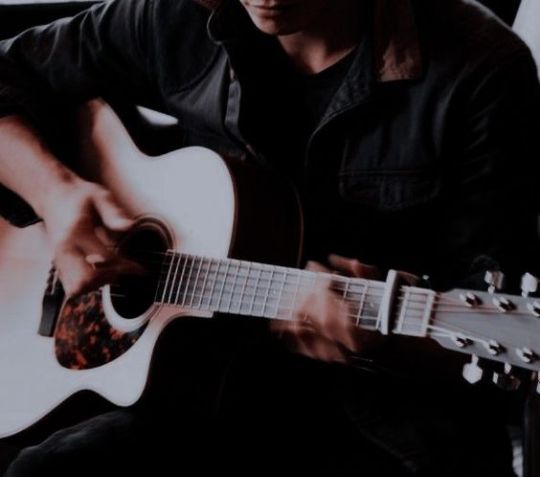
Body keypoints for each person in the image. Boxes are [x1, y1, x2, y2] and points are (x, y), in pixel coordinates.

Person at [0, 0, 539, 475]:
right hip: (200, 385)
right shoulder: (179, 17)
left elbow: (497, 334)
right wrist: (56, 195)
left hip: (377, 423)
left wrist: (379, 343)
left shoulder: (480, 66)